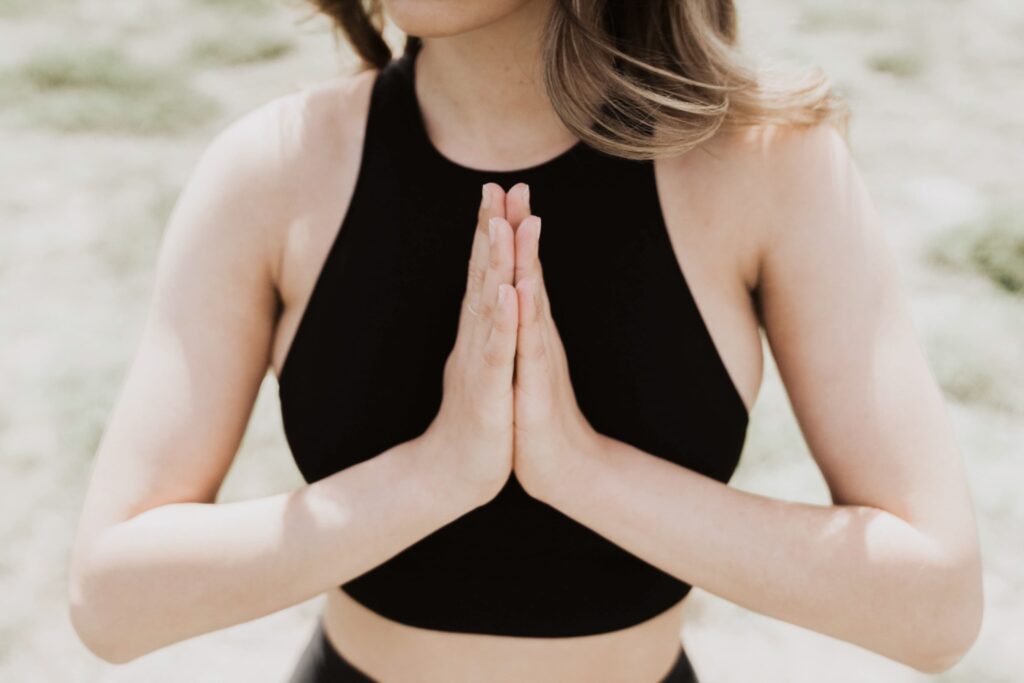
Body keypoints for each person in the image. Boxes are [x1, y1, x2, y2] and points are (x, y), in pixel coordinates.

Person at [68, 1, 984, 681]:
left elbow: (935, 607)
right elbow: (112, 602)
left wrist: (577, 468)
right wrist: (437, 474)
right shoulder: (273, 169)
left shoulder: (764, 166)